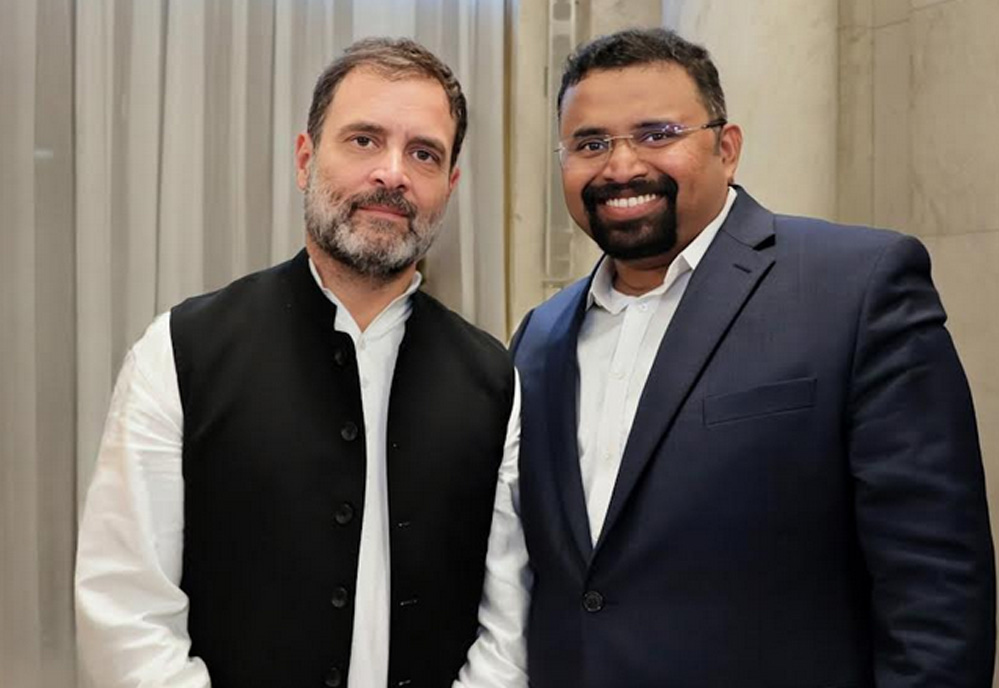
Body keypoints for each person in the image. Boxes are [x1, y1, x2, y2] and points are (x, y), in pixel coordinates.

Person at [511, 27, 995, 687]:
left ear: (727, 147)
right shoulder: (538, 337)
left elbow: (935, 583)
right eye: (590, 144)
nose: (620, 167)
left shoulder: (855, 287)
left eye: (656, 134)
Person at [75, 37, 529, 688]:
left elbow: (507, 631)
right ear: (304, 159)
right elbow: (126, 614)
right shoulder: (179, 352)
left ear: (449, 186)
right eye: (364, 140)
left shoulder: (494, 381)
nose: (393, 173)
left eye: (423, 153)